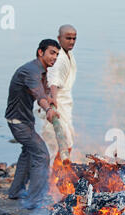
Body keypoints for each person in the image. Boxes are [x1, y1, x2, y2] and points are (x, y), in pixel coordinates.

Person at [5, 39, 61, 209]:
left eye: (57, 54)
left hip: (24, 121)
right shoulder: (31, 71)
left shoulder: (41, 71)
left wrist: (52, 99)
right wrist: (48, 109)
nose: (55, 57)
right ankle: (34, 201)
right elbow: (39, 96)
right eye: (52, 53)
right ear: (40, 52)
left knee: (28, 153)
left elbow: (43, 93)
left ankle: (16, 192)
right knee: (41, 154)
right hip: (18, 123)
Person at [40, 24, 77, 161]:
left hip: (66, 105)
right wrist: (53, 100)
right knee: (60, 144)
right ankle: (53, 178)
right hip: (57, 104)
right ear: (59, 38)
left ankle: (58, 176)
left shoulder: (69, 54)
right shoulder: (59, 57)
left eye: (74, 39)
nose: (71, 42)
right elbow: (53, 81)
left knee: (68, 141)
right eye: (68, 38)